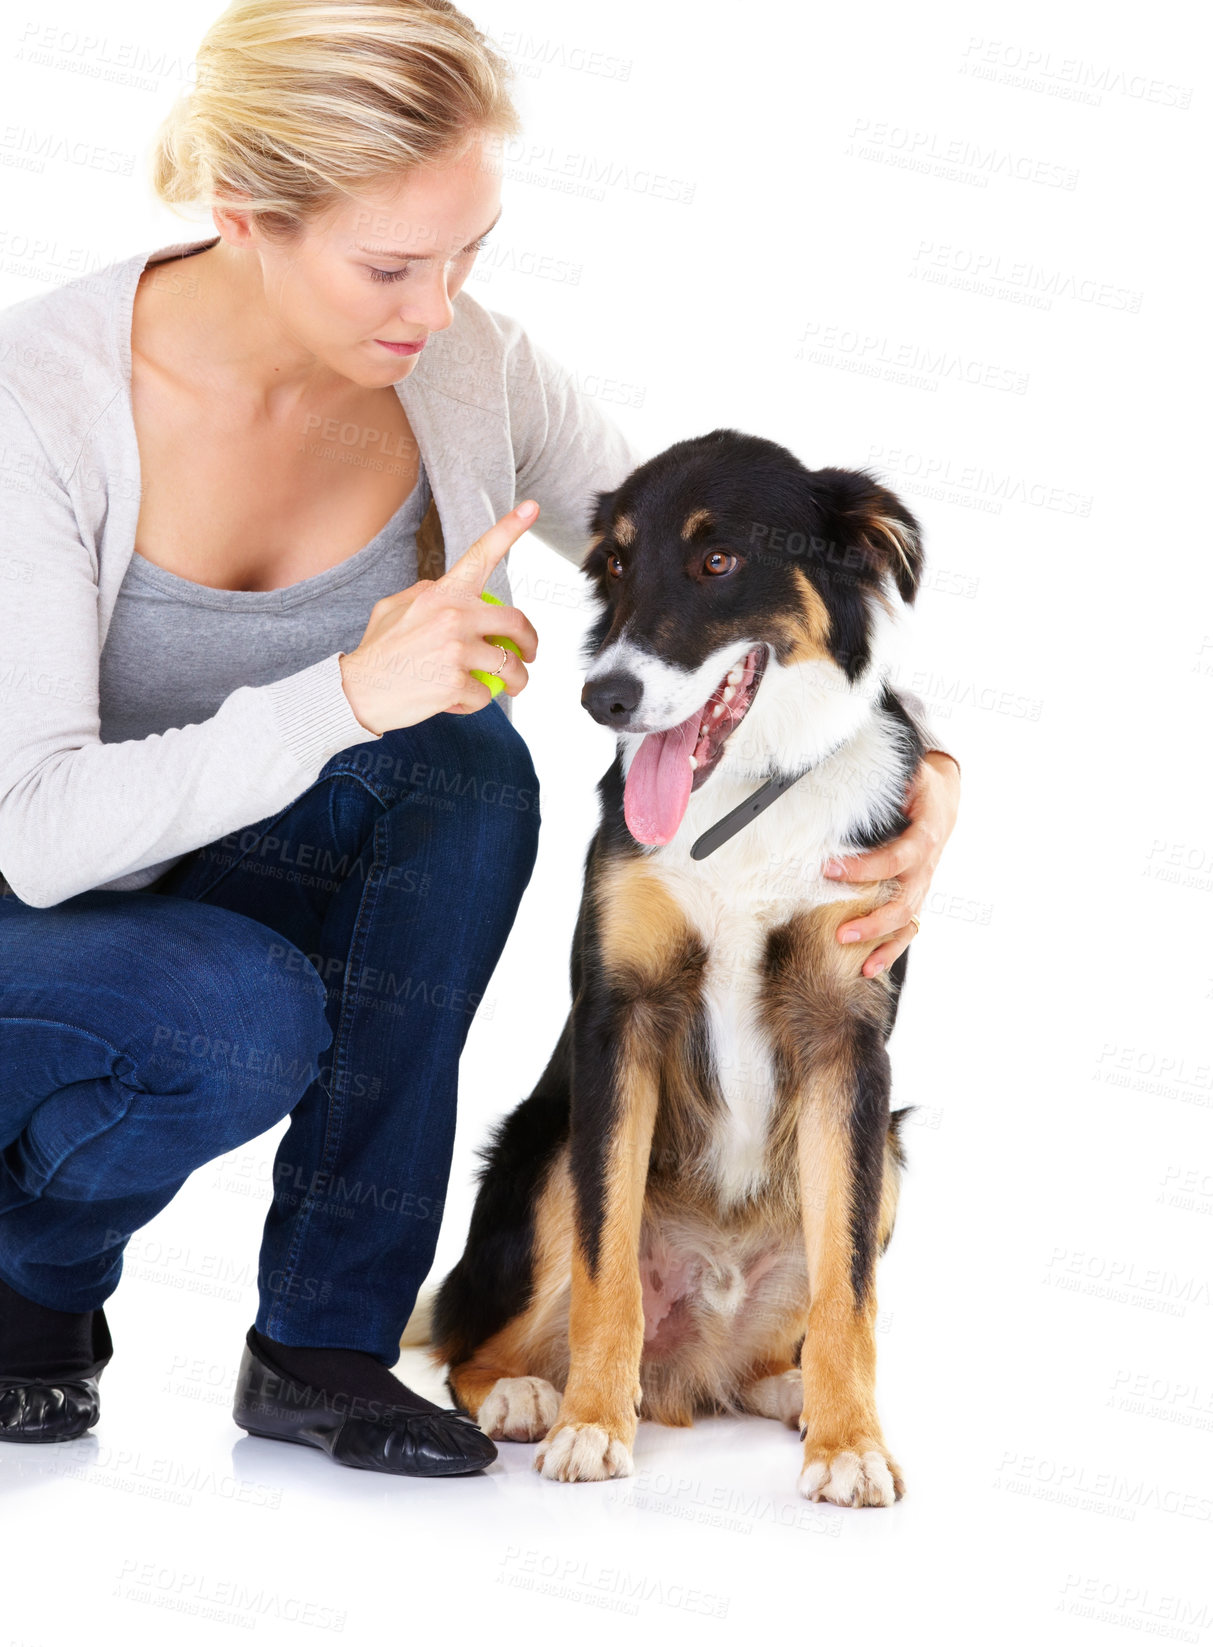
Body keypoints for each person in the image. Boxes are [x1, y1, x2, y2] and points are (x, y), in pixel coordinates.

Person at [0, 0, 961, 1474]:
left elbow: (715, 579)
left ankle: (322, 1343)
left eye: (467, 255)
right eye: (391, 265)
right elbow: (42, 833)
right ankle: (32, 1283)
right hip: (38, 902)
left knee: (460, 769)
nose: (436, 307)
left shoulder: (466, 373)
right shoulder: (40, 399)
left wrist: (915, 774)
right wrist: (344, 694)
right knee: (235, 1007)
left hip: (219, 878)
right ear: (243, 215)